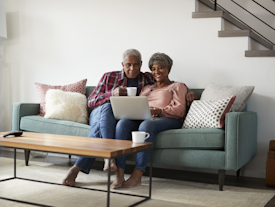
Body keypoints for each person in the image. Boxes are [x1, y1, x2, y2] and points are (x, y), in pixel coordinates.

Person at [62, 49, 197, 187]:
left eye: (136, 65)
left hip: (158, 117)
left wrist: (188, 91)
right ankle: (116, 169)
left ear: (141, 64)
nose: (132, 68)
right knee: (114, 116)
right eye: (128, 65)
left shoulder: (149, 79)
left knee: (129, 124)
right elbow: (90, 101)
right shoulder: (113, 77)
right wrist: (111, 94)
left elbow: (176, 92)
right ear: (122, 64)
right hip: (102, 112)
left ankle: (127, 171)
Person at [111, 52, 187, 189]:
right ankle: (119, 173)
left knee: (147, 124)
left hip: (169, 119)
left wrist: (160, 111)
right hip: (146, 117)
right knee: (123, 124)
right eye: (153, 69)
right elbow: (138, 105)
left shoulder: (177, 86)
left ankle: (137, 175)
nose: (156, 72)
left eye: (160, 68)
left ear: (169, 69)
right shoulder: (147, 88)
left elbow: (180, 110)